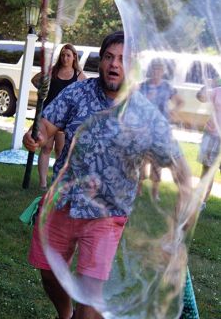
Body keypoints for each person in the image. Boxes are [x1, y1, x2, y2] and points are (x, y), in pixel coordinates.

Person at [23, 31, 192, 319]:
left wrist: (180, 224)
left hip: (106, 214)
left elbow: (181, 171)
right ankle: (65, 314)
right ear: (101, 62)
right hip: (63, 200)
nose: (115, 64)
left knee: (90, 304)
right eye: (109, 57)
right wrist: (34, 137)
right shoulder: (77, 93)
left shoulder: (145, 115)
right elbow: (45, 128)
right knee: (49, 274)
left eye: (123, 59)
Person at [31, 44, 86, 190]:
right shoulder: (53, 71)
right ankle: (42, 183)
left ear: (74, 57)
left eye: (68, 55)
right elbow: (35, 79)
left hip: (66, 119)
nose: (65, 58)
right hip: (48, 115)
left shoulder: (78, 74)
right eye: (63, 55)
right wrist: (43, 89)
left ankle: (56, 184)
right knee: (46, 148)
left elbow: (86, 91)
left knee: (60, 151)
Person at [139, 58, 184, 200]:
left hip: (161, 130)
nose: (156, 72)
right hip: (144, 128)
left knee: (157, 161)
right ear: (150, 70)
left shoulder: (167, 87)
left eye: (159, 69)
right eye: (154, 69)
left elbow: (180, 102)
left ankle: (155, 192)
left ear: (163, 71)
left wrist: (173, 111)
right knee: (141, 159)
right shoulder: (142, 86)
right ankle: (138, 189)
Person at [197, 77, 221, 209]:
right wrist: (206, 86)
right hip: (211, 135)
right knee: (207, 170)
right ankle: (201, 201)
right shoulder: (217, 91)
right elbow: (200, 97)